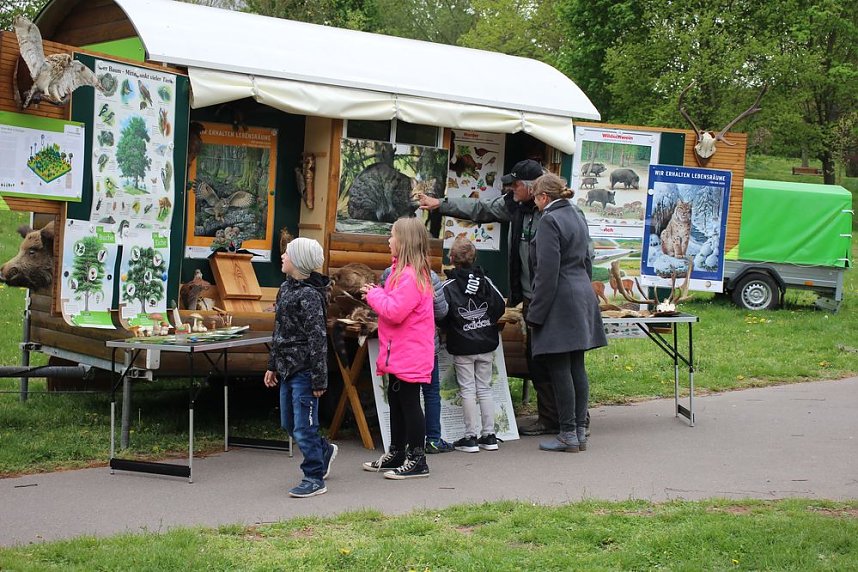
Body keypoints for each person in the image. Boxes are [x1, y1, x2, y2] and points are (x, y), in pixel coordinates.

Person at [418, 159, 561, 437]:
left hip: (553, 296)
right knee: (537, 359)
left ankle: (574, 419)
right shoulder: (514, 206)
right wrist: (441, 204)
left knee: (559, 359)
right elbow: (481, 209)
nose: (510, 189)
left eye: (516, 184)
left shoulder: (555, 213)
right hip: (531, 297)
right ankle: (549, 418)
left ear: (533, 189)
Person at [525, 174, 607, 452]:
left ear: (544, 198)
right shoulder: (576, 214)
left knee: (560, 367)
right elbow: (587, 260)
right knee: (576, 366)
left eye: (535, 198)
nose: (535, 204)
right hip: (581, 294)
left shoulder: (549, 220)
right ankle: (579, 433)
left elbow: (547, 273)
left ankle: (567, 434)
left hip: (560, 297)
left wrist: (535, 313)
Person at [361, 217, 436, 479]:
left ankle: (417, 459)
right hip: (400, 351)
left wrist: (373, 295)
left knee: (409, 403)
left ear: (403, 242)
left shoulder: (410, 276)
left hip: (409, 353)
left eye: (392, 236)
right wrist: (379, 292)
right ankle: (397, 453)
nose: (388, 240)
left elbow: (394, 311)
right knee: (397, 401)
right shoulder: (400, 273)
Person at [264, 237, 338, 497]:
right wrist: (272, 364)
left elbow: (318, 339)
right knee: (289, 424)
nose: (282, 256)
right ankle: (324, 449)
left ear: (299, 262)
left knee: (304, 427)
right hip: (285, 369)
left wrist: (319, 379)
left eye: (288, 253)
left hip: (305, 372)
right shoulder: (285, 289)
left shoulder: (309, 296)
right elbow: (280, 331)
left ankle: (314, 477)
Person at [439, 236, 506, 453]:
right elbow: (500, 305)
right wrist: (487, 322)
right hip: (486, 342)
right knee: (484, 388)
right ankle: (489, 435)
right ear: (475, 257)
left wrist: (452, 326)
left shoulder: (448, 285)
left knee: (467, 390)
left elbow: (441, 312)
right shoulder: (485, 281)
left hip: (462, 344)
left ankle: (470, 438)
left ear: (451, 258)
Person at [378, 265, 453, 455]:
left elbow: (386, 304)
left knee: (403, 398)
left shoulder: (390, 274)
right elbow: (442, 311)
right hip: (426, 343)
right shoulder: (430, 275)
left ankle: (402, 448)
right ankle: (433, 439)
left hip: (400, 346)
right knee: (429, 393)